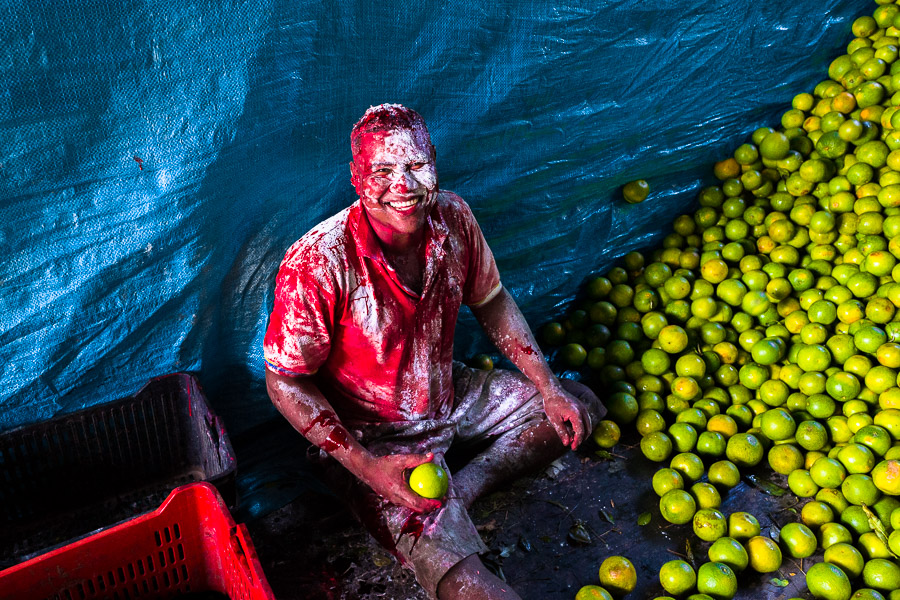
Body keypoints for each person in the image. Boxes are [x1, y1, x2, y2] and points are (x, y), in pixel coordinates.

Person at [264, 104, 605, 600]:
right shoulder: (317, 262)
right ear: (357, 178)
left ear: (435, 162)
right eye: (382, 170)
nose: (402, 185)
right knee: (469, 586)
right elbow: (284, 381)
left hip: (449, 395)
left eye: (416, 165)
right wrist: (366, 467)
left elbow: (491, 301)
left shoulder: (454, 216)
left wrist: (548, 388)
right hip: (373, 435)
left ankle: (466, 488)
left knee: (579, 406)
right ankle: (427, 513)